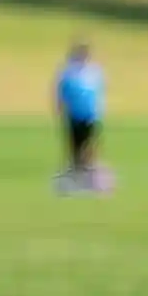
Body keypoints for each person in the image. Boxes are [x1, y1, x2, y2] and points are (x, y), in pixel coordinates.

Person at [52, 42, 109, 194]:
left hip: (89, 114)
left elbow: (99, 93)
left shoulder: (94, 72)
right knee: (75, 146)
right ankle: (75, 177)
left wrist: (100, 110)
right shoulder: (68, 72)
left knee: (90, 146)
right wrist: (59, 108)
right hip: (73, 114)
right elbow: (61, 92)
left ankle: (92, 178)